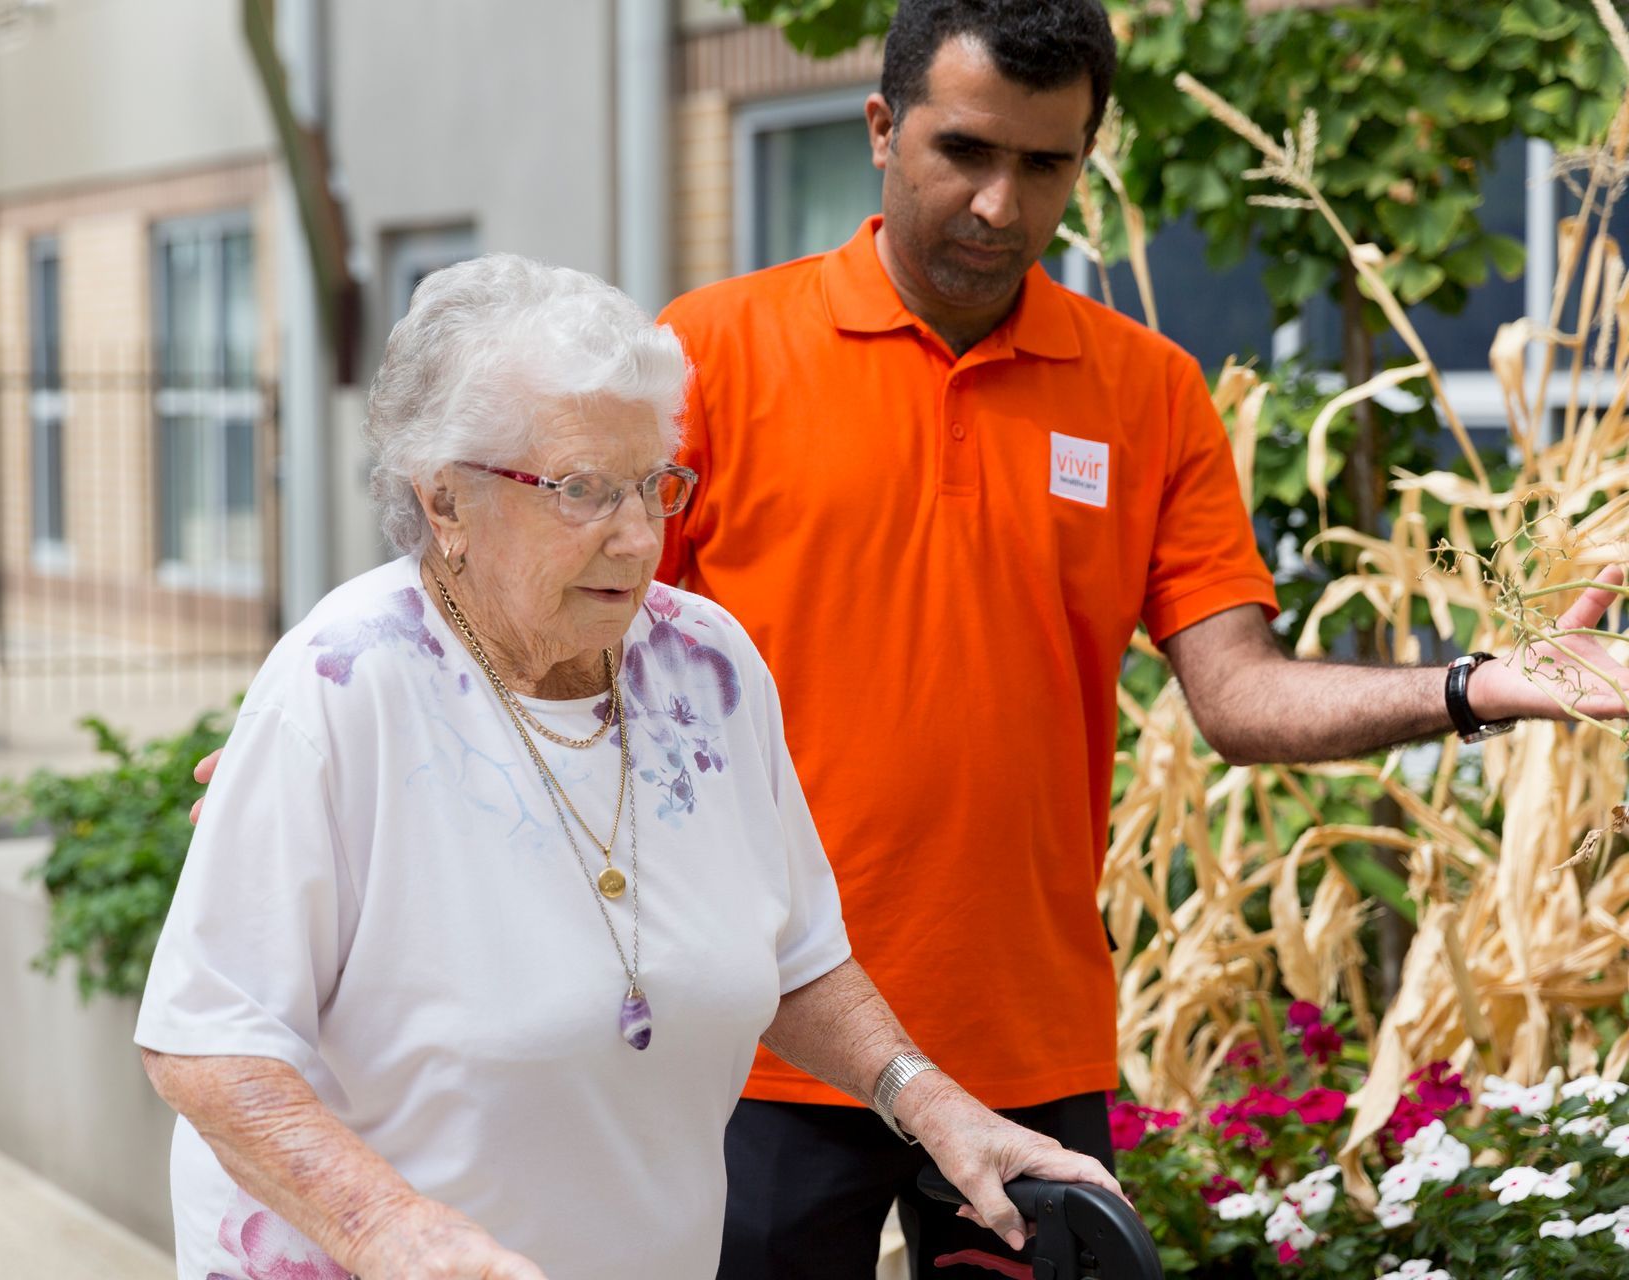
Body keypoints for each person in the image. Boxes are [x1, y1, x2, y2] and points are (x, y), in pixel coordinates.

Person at [193, 3, 1629, 1274]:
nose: (1001, 204)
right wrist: (340, 755)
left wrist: (1472, 685)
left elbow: (1239, 694)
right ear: (880, 128)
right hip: (736, 1038)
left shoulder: (1147, 393)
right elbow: (533, 623)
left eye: (1046, 164)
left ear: (1085, 161)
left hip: (1019, 1043)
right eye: (964, 151)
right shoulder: (714, 359)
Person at [138, 253, 1120, 1280]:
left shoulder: (707, 663)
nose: (641, 534)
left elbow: (793, 955)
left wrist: (937, 1107)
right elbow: (209, 1040)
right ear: (446, 503)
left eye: (655, 483)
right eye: (582, 491)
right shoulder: (341, 686)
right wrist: (391, 1230)